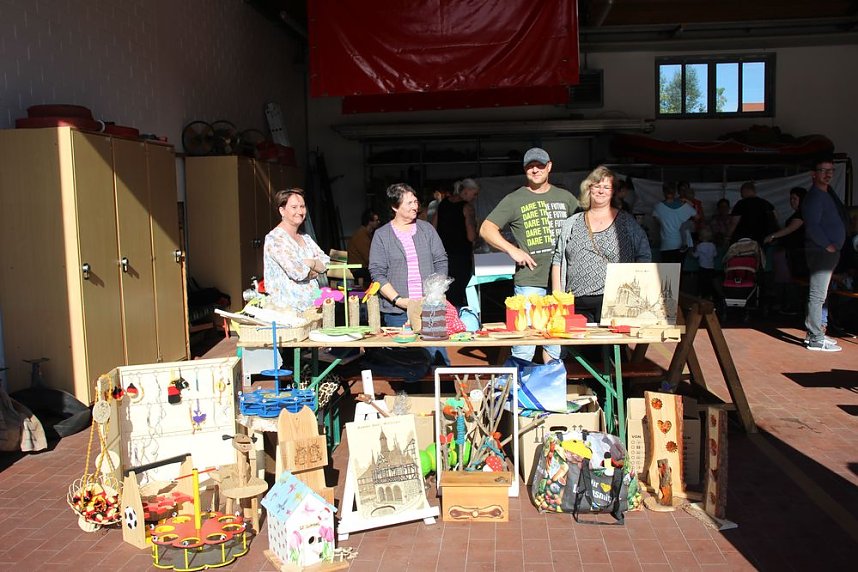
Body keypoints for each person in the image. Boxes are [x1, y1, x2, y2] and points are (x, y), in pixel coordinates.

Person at [479, 147, 578, 363]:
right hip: (530, 282)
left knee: (556, 345)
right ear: (525, 170)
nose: (535, 170)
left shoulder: (566, 198)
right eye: (530, 166)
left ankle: (549, 391)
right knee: (524, 344)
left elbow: (583, 227)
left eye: (540, 165)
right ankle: (519, 393)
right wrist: (512, 250)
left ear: (549, 166)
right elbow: (486, 229)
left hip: (561, 284)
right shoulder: (514, 199)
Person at [551, 166, 651, 324]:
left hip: (615, 303)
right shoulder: (572, 222)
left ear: (613, 192)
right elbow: (558, 259)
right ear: (588, 188)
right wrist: (558, 298)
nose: (601, 191)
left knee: (611, 348)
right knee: (576, 347)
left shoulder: (626, 222)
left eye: (606, 187)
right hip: (575, 301)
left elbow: (644, 255)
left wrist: (636, 291)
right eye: (596, 186)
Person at [369, 182, 449, 334]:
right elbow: (377, 273)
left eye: (415, 202)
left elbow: (440, 260)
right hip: (397, 311)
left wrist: (435, 293)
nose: (415, 206)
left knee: (434, 352)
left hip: (429, 306)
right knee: (401, 355)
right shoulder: (382, 235)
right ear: (395, 207)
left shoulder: (427, 229)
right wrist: (398, 300)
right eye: (409, 203)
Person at [802, 159, 848, 352]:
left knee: (822, 294)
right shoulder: (815, 197)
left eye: (831, 171)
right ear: (814, 174)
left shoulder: (825, 194)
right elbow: (812, 225)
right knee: (817, 293)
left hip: (827, 251)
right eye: (823, 170)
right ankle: (815, 338)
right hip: (821, 252)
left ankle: (817, 332)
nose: (828, 174)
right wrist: (827, 245)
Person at [263, 189, 330, 311]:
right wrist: (313, 265)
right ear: (282, 210)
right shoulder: (275, 239)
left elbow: (325, 262)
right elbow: (297, 272)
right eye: (294, 207)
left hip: (313, 309)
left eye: (302, 206)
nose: (300, 211)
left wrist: (310, 263)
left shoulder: (305, 237)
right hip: (288, 314)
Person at [434, 178, 479, 308]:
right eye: (474, 194)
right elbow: (471, 236)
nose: (475, 198)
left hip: (442, 255)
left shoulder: (442, 204)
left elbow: (434, 227)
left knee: (444, 291)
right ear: (466, 191)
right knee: (458, 292)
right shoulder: (467, 207)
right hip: (461, 256)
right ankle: (458, 321)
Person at [764, 187, 807, 315]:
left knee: (790, 280)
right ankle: (787, 304)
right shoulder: (799, 213)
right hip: (790, 252)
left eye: (794, 199)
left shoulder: (802, 214)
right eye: (791, 199)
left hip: (796, 254)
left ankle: (791, 305)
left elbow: (790, 229)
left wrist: (773, 236)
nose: (791, 201)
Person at [652, 182, 696, 264]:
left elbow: (656, 221)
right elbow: (697, 216)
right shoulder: (685, 206)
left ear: (663, 192)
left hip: (666, 244)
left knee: (667, 274)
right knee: (679, 272)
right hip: (682, 244)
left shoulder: (658, 207)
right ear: (675, 192)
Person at [728, 181, 778, 247]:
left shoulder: (741, 204)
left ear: (745, 191)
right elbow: (776, 217)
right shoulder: (766, 203)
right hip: (764, 239)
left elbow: (734, 223)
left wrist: (727, 236)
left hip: (745, 241)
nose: (741, 195)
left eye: (741, 193)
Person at [347, 208, 380, 285]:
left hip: (362, 267)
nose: (379, 222)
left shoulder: (366, 234)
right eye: (376, 220)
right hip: (358, 269)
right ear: (370, 222)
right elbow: (368, 257)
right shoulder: (361, 236)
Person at [691, 227, 718, 300]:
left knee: (701, 282)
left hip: (702, 267)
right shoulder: (712, 245)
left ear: (700, 237)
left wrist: (691, 252)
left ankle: (700, 295)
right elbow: (715, 254)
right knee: (710, 282)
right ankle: (710, 296)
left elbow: (695, 255)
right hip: (711, 267)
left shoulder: (700, 246)